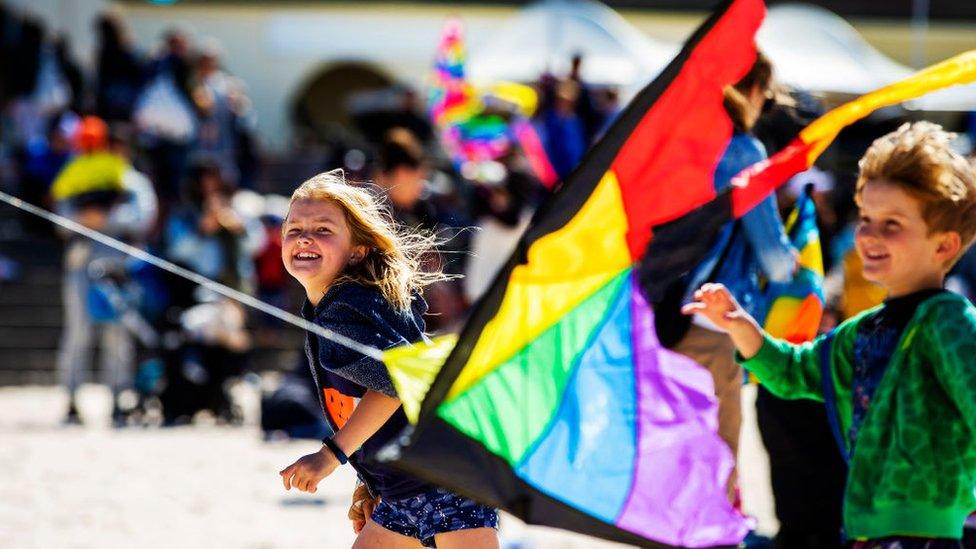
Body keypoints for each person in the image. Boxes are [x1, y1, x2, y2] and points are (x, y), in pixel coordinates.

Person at [684, 121, 976, 548]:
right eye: (866, 219)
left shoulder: (948, 321)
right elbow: (792, 371)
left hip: (926, 535)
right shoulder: (862, 330)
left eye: (892, 223)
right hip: (862, 531)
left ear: (945, 246)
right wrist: (740, 324)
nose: (870, 234)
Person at [277, 171, 499, 548]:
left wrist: (330, 456)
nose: (304, 237)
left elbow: (396, 384)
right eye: (293, 228)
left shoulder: (345, 311)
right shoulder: (336, 306)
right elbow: (365, 406)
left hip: (445, 475)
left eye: (323, 229)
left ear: (358, 251)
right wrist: (369, 480)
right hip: (400, 491)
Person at [670, 51, 797, 503]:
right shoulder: (743, 150)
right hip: (713, 322)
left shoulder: (677, 140)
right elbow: (773, 258)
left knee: (675, 456)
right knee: (718, 461)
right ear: (753, 90)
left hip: (663, 318)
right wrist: (797, 254)